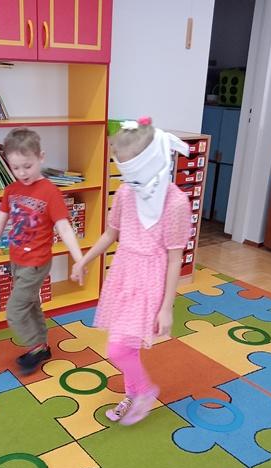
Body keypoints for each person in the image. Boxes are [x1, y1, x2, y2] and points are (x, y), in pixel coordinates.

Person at [71, 117, 192, 425]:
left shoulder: (176, 203)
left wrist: (167, 307)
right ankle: (133, 392)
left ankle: (146, 391)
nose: (131, 181)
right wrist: (85, 260)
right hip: (124, 273)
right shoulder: (126, 192)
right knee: (126, 344)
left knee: (117, 348)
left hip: (149, 280)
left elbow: (175, 259)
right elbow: (111, 233)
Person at [0, 128, 83, 374]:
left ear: (41, 157)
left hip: (36, 262)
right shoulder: (12, 190)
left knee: (15, 311)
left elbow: (64, 228)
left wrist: (79, 259)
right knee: (31, 303)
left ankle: (36, 347)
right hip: (17, 259)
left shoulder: (50, 192)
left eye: (27, 166)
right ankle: (42, 343)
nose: (22, 173)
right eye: (15, 168)